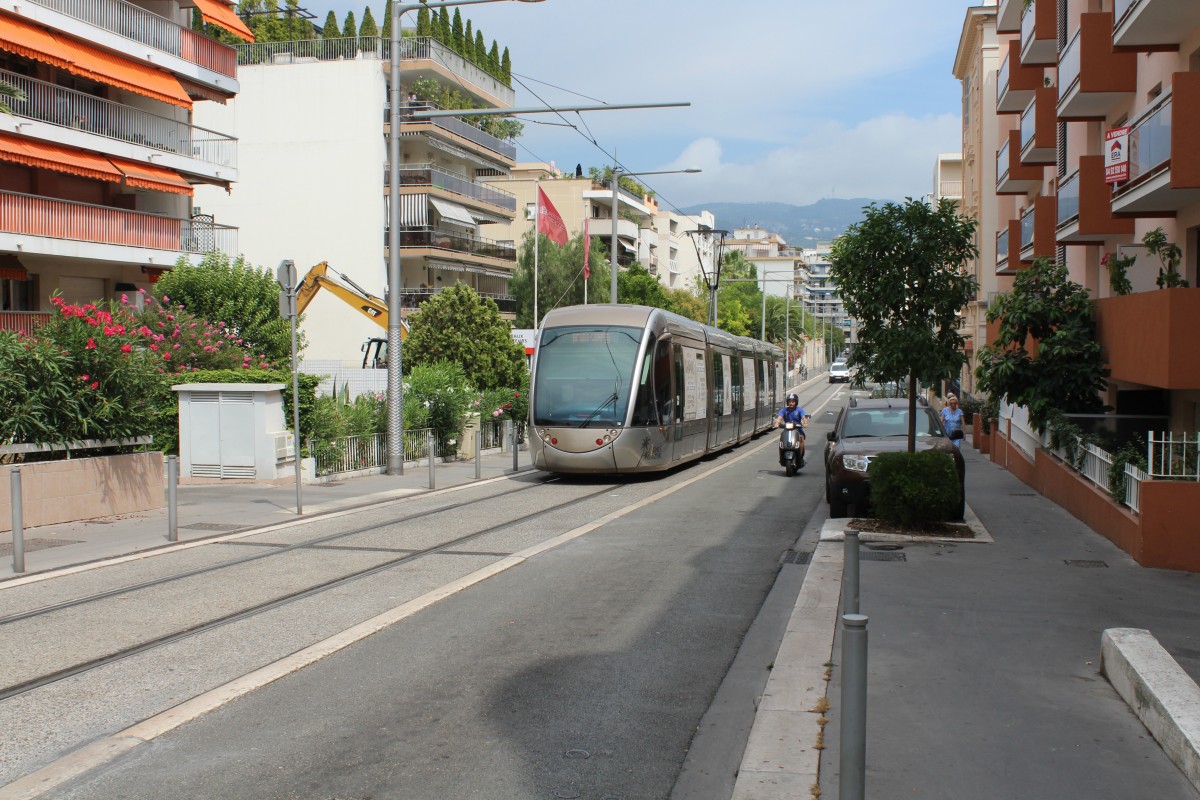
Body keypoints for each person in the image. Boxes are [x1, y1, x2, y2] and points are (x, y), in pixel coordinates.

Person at [773, 392, 809, 466]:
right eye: (789, 402)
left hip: (798, 429)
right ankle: (782, 456)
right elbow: (779, 418)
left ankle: (800, 455)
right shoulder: (784, 410)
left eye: (793, 402)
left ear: (796, 402)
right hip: (787, 429)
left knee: (801, 438)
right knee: (781, 438)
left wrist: (805, 423)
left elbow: (803, 417)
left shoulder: (799, 410)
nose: (791, 403)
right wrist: (777, 424)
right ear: (787, 402)